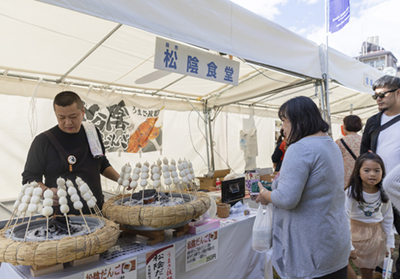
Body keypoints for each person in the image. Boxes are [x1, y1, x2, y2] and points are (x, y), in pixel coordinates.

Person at [256, 96, 350, 279]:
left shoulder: (300, 148)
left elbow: (286, 199)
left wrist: (265, 194)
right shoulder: (330, 143)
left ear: (302, 120)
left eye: (284, 121)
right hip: (333, 238)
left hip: (311, 246)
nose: (282, 128)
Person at [22, 91, 120, 215]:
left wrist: (120, 178)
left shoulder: (92, 132)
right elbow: (29, 178)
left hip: (97, 212)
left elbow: (101, 162)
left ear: (83, 112)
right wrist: (46, 191)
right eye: (61, 117)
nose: (68, 122)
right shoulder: (43, 141)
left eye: (73, 116)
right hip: (61, 218)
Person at [360, 75, 400, 278]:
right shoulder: (373, 122)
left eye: (382, 95)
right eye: (375, 96)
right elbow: (364, 153)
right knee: (375, 237)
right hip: (377, 191)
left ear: (398, 93)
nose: (378, 99)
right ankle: (377, 272)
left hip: (399, 191)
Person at [345, 152, 394, 279]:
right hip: (353, 232)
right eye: (367, 170)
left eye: (377, 170)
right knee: (343, 262)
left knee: (368, 269)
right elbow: (344, 217)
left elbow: (388, 218)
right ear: (358, 172)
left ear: (382, 172)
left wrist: (390, 243)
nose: (372, 174)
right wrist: (349, 245)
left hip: (374, 235)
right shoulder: (351, 192)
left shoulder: (384, 192)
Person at [335, 115, 362, 187]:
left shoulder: (339, 142)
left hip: (347, 177)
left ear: (345, 126)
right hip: (362, 175)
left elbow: (335, 161)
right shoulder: (364, 140)